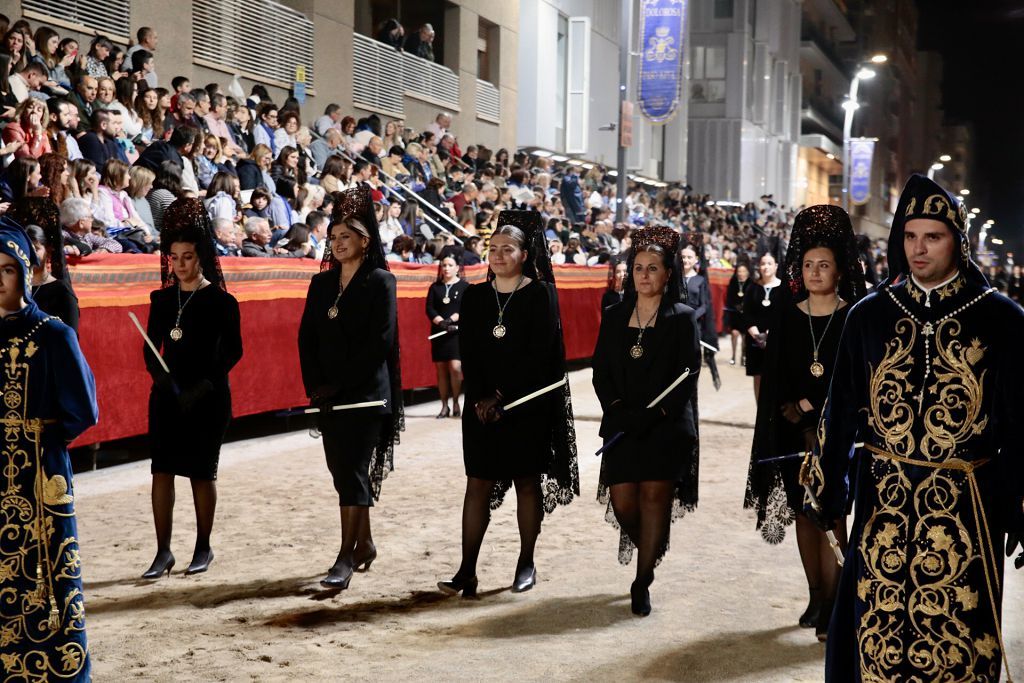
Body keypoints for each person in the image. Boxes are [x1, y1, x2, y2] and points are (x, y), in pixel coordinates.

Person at [802, 175, 1024, 680]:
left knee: (956, 639)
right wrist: (828, 494)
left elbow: (1020, 424)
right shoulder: (869, 316)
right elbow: (839, 415)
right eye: (909, 235)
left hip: (968, 507)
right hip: (885, 499)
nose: (918, 249)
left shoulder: (1002, 320)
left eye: (933, 236)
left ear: (958, 242)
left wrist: (1018, 501)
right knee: (875, 634)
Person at [438, 210, 579, 597]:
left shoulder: (539, 294)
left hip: (526, 406)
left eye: (507, 249)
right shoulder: (476, 296)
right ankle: (467, 571)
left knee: (526, 483)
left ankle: (526, 561)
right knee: (477, 485)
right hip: (482, 408)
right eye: (493, 248)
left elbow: (539, 354)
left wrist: (502, 396)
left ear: (524, 253)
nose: (498, 255)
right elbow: (471, 350)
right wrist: (483, 397)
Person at [743, 205, 866, 640]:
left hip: (838, 436)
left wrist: (815, 410)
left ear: (839, 271)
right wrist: (794, 409)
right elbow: (777, 374)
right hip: (794, 432)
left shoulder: (855, 315)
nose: (815, 272)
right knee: (801, 513)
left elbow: (853, 379)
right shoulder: (789, 315)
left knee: (831, 515)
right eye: (809, 265)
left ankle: (835, 604)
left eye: (824, 265)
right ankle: (815, 596)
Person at [0, 214, 97, 680]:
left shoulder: (54, 333)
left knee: (46, 571)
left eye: (6, 268)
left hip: (40, 469)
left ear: (23, 270)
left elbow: (84, 409)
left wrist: (42, 436)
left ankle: (54, 668)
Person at [591, 226, 700, 616]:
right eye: (638, 268)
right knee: (623, 502)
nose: (645, 275)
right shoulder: (614, 315)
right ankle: (651, 550)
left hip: (666, 427)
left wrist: (657, 413)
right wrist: (619, 408)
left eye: (653, 268)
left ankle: (642, 581)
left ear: (668, 274)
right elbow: (600, 371)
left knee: (655, 498)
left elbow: (688, 374)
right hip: (622, 423)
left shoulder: (683, 318)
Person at [298, 185, 403, 589]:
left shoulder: (381, 282)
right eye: (333, 237)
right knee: (341, 472)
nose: (339, 243)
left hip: (365, 394)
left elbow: (381, 341)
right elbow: (306, 338)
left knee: (354, 472)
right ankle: (366, 543)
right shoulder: (320, 284)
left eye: (347, 236)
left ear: (365, 240)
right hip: (328, 396)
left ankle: (344, 556)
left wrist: (340, 385)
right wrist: (317, 385)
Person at [141, 199, 243, 580]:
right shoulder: (161, 299)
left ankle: (203, 546)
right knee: (161, 471)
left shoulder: (221, 301)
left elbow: (233, 351)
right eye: (174, 257)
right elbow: (150, 349)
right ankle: (163, 551)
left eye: (187, 257)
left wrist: (201, 386)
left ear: (202, 257)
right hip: (167, 397)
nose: (180, 264)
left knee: (202, 473)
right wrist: (162, 379)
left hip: (209, 397)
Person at [9, 197, 79, 331]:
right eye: (23, 249)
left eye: (35, 249)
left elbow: (69, 339)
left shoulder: (61, 292)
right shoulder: (10, 289)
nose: (29, 255)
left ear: (48, 250)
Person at [426, 254, 469, 418]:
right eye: (444, 265)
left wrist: (451, 320)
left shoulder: (465, 286)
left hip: (456, 333)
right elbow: (429, 308)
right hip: (439, 333)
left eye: (450, 265)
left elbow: (466, 307)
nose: (446, 268)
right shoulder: (435, 287)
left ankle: (456, 402)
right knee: (441, 371)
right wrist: (441, 322)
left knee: (456, 369)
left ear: (457, 267)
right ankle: (444, 406)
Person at [679, 240, 719, 389]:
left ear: (696, 259)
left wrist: (691, 317)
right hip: (676, 325)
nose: (686, 260)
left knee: (691, 367)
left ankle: (692, 407)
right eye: (683, 257)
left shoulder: (701, 280)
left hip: (695, 327)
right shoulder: (673, 279)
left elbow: (704, 305)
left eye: (689, 257)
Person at [743, 251, 783, 400]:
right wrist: (758, 337)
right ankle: (760, 417)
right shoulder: (751, 288)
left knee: (776, 378)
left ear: (776, 266)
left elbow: (784, 314)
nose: (765, 267)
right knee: (758, 378)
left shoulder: (783, 288)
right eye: (762, 264)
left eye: (769, 263)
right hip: (756, 342)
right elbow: (746, 314)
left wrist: (770, 334)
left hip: (777, 340)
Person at [724, 262, 752, 365]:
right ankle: (733, 356)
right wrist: (736, 305)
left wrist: (745, 306)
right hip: (735, 314)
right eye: (739, 271)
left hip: (746, 314)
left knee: (745, 336)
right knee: (734, 334)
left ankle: (744, 356)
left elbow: (752, 297)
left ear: (748, 272)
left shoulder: (751, 282)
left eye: (744, 271)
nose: (741, 273)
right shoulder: (733, 281)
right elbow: (729, 296)